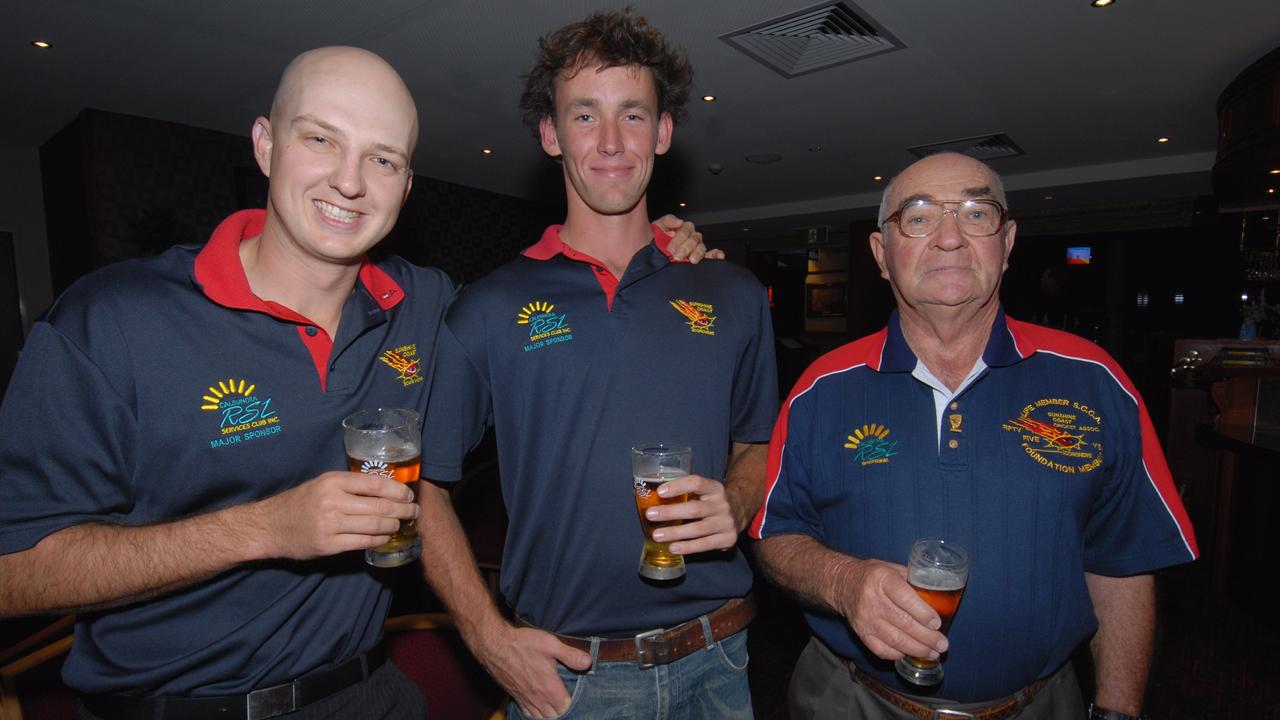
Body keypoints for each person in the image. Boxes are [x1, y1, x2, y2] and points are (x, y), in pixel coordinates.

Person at [0, 45, 709, 719]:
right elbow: (13, 572)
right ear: (265, 144)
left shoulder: (424, 307)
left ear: (404, 184)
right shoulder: (114, 321)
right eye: (320, 140)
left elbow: (544, 321)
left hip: (365, 692)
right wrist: (262, 528)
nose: (349, 180)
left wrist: (659, 252)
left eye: (382, 157)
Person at [418, 10, 778, 720]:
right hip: (572, 682)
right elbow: (421, 490)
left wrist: (736, 502)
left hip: (721, 664)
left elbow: (757, 446)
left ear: (663, 132)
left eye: (633, 115)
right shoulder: (487, 309)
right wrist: (487, 637)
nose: (611, 143)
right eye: (585, 116)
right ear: (552, 135)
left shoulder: (731, 293)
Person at [752, 152, 1198, 720]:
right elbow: (774, 536)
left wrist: (1117, 710)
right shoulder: (819, 390)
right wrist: (843, 582)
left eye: (975, 213)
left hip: (1041, 705)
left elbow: (1125, 562)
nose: (949, 238)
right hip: (850, 701)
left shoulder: (1095, 380)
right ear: (880, 255)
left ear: (1007, 243)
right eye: (918, 217)